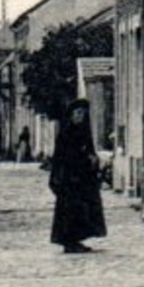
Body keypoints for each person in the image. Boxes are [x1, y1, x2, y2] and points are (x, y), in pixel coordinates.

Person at [49, 99, 107, 253]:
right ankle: (69, 241)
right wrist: (85, 158)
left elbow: (87, 151)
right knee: (70, 211)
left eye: (83, 113)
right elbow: (64, 157)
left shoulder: (83, 132)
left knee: (81, 210)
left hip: (82, 179)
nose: (80, 116)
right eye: (78, 113)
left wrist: (92, 159)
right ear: (71, 115)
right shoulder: (67, 133)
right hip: (69, 180)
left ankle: (76, 239)